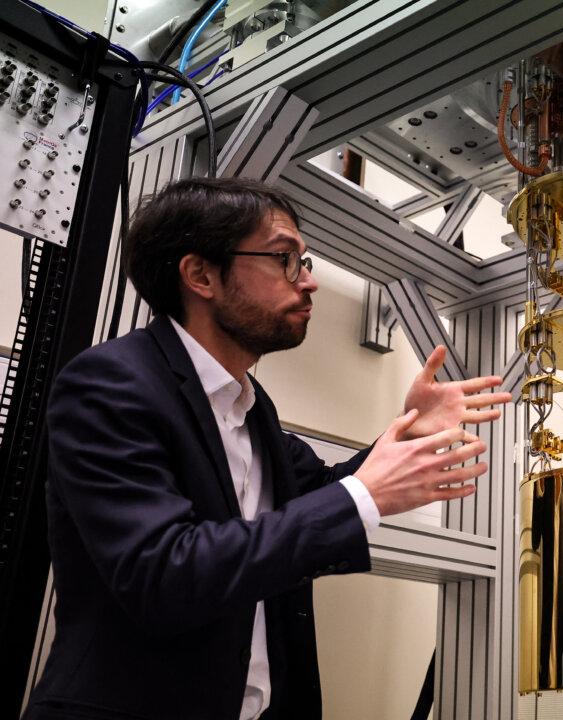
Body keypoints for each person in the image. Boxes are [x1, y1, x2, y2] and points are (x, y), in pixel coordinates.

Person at [22, 177, 511, 720]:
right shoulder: (109, 384)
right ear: (201, 275)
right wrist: (360, 495)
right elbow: (161, 573)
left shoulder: (252, 408)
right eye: (285, 258)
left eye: (305, 260)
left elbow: (323, 492)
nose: (309, 282)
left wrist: (411, 429)